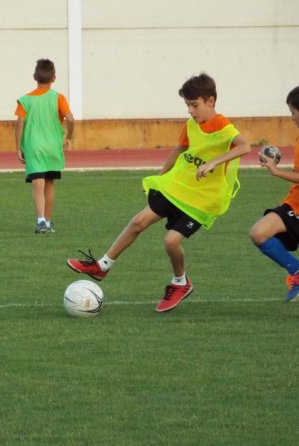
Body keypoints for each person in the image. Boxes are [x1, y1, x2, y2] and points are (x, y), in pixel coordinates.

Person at [67, 73, 251, 312]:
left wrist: (215, 162)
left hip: (203, 199)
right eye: (187, 106)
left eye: (195, 105)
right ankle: (102, 266)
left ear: (211, 101)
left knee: (171, 241)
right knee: (138, 221)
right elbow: (179, 149)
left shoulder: (223, 125)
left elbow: (245, 146)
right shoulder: (191, 124)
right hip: (179, 186)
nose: (191, 111)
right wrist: (162, 178)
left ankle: (180, 282)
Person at [249, 86, 299, 302]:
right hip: (294, 204)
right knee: (259, 232)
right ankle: (296, 271)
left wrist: (276, 171)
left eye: (293, 112)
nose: (291, 118)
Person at [14, 58, 75, 233]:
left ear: (35, 76)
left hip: (33, 147)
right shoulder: (58, 98)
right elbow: (70, 118)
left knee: (37, 183)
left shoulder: (25, 100)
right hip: (53, 147)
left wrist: (18, 147)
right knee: (49, 183)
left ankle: (40, 220)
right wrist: (69, 137)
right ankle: (47, 222)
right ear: (54, 78)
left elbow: (19, 124)